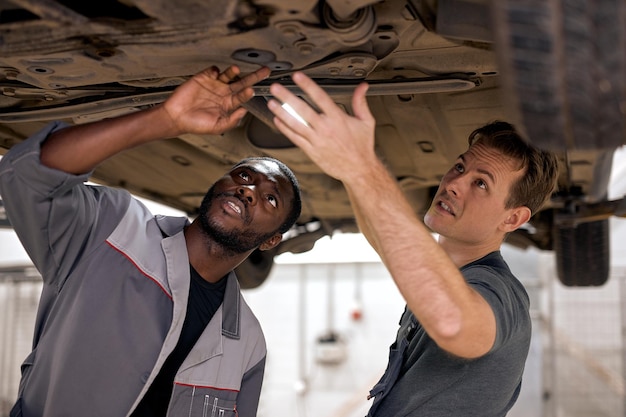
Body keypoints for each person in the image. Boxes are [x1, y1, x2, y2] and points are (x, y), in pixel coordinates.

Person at [0, 64, 302, 417]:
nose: (248, 189)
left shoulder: (247, 342)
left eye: (270, 198)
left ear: (271, 241)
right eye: (244, 175)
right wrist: (166, 119)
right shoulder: (113, 227)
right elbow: (26, 176)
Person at [267, 72, 559, 416]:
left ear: (512, 219)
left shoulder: (498, 291)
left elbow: (453, 322)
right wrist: (350, 172)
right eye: (460, 166)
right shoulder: (446, 278)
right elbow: (387, 242)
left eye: (480, 183)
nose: (453, 182)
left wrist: (363, 168)